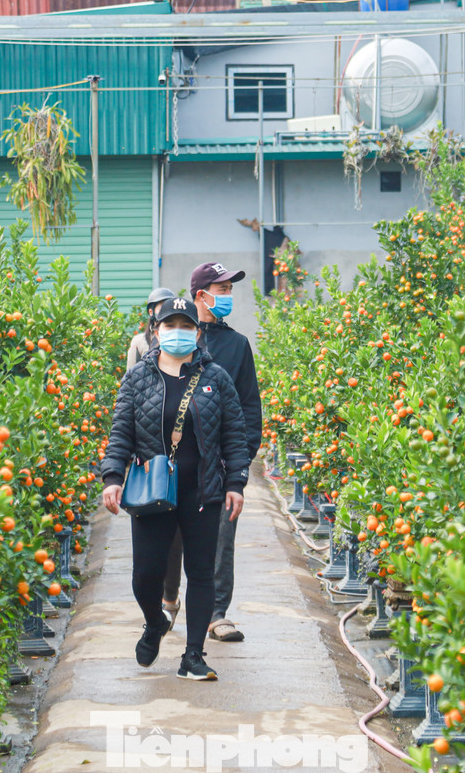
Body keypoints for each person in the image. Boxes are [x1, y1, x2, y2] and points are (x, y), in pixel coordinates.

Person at [99, 296, 250, 681]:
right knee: (145, 575)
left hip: (203, 490)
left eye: (186, 326)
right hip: (152, 491)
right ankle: (155, 622)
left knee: (200, 573)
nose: (178, 332)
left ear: (197, 333)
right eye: (170, 325)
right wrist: (112, 477)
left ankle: (193, 656)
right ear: (156, 331)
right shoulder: (138, 378)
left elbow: (234, 434)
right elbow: (121, 433)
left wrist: (236, 482)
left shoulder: (216, 378)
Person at [161, 261, 262, 643]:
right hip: (174, 460)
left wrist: (240, 462)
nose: (228, 295)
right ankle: (169, 599)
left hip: (218, 462)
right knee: (170, 536)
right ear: (201, 295)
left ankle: (216, 613)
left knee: (221, 538)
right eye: (223, 289)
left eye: (230, 289)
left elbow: (250, 407)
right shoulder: (175, 339)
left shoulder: (237, 345)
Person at [127, 287, 176, 370]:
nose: (166, 312)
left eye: (169, 308)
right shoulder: (140, 341)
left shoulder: (179, 338)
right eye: (162, 308)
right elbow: (131, 373)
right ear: (151, 312)